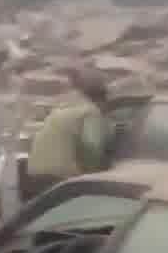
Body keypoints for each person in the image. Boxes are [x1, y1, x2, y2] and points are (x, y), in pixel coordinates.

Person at [25, 68, 113, 197]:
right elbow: (93, 147)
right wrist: (98, 174)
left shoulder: (63, 108)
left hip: (35, 172)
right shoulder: (91, 111)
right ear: (102, 99)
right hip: (62, 176)